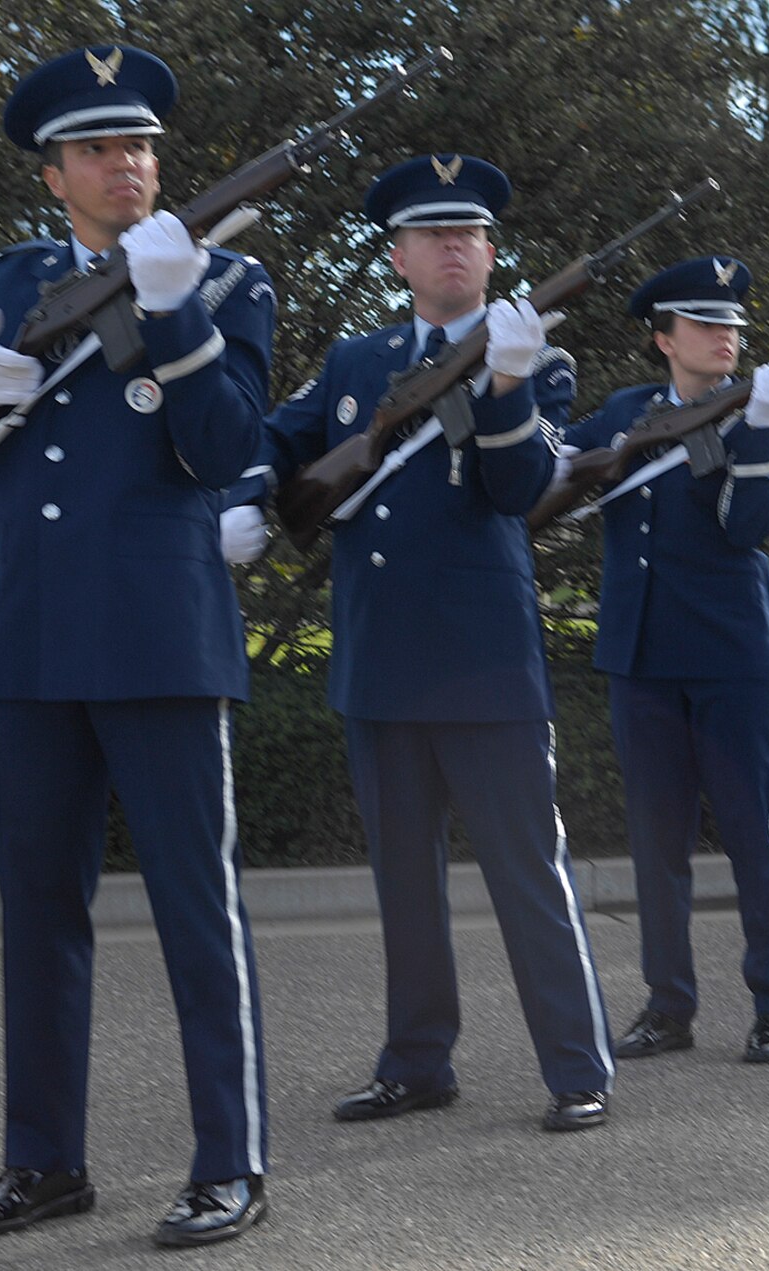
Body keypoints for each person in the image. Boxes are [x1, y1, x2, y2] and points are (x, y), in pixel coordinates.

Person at [0, 45, 275, 1246]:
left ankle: (229, 1159)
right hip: (31, 642)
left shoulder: (225, 281)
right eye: (97, 150)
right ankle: (43, 1161)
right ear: (54, 176)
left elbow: (226, 443)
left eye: (139, 147)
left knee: (200, 910)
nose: (125, 165)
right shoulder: (16, 278)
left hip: (159, 637)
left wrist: (173, 309)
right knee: (38, 913)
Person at [226, 154, 615, 1131]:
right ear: (398, 257)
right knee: (403, 883)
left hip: (484, 662)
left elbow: (517, 493)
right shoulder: (358, 362)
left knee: (529, 875)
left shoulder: (536, 357)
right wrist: (245, 498)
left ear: (490, 253)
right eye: (433, 234)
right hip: (379, 655)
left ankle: (577, 1067)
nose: (453, 247)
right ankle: (415, 1062)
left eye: (470, 234)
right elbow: (276, 435)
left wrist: (508, 385)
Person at [562, 256, 769, 1065]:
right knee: (656, 843)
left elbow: (744, 530)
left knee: (749, 837)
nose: (725, 337)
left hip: (730, 657)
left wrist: (765, 428)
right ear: (664, 339)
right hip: (642, 656)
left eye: (733, 325)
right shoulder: (625, 412)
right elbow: (556, 472)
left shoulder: (756, 414)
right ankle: (669, 1005)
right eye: (705, 325)